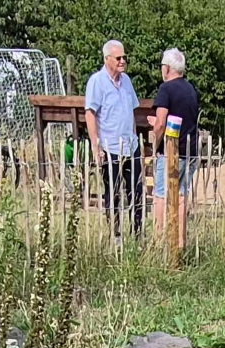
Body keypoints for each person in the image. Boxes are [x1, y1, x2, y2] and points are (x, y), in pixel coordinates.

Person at [83, 40, 141, 238]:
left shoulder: (126, 81)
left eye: (124, 57)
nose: (123, 61)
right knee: (113, 192)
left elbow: (132, 111)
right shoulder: (97, 82)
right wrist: (95, 145)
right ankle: (115, 234)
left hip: (130, 146)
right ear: (107, 59)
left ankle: (137, 232)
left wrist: (133, 135)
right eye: (118, 58)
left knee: (137, 191)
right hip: (110, 146)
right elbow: (90, 113)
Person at [150, 48, 198, 241]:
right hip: (190, 150)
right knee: (181, 196)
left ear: (167, 68)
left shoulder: (166, 89)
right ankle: (179, 241)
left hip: (172, 151)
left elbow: (161, 122)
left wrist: (156, 143)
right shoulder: (191, 89)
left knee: (161, 195)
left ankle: (159, 241)